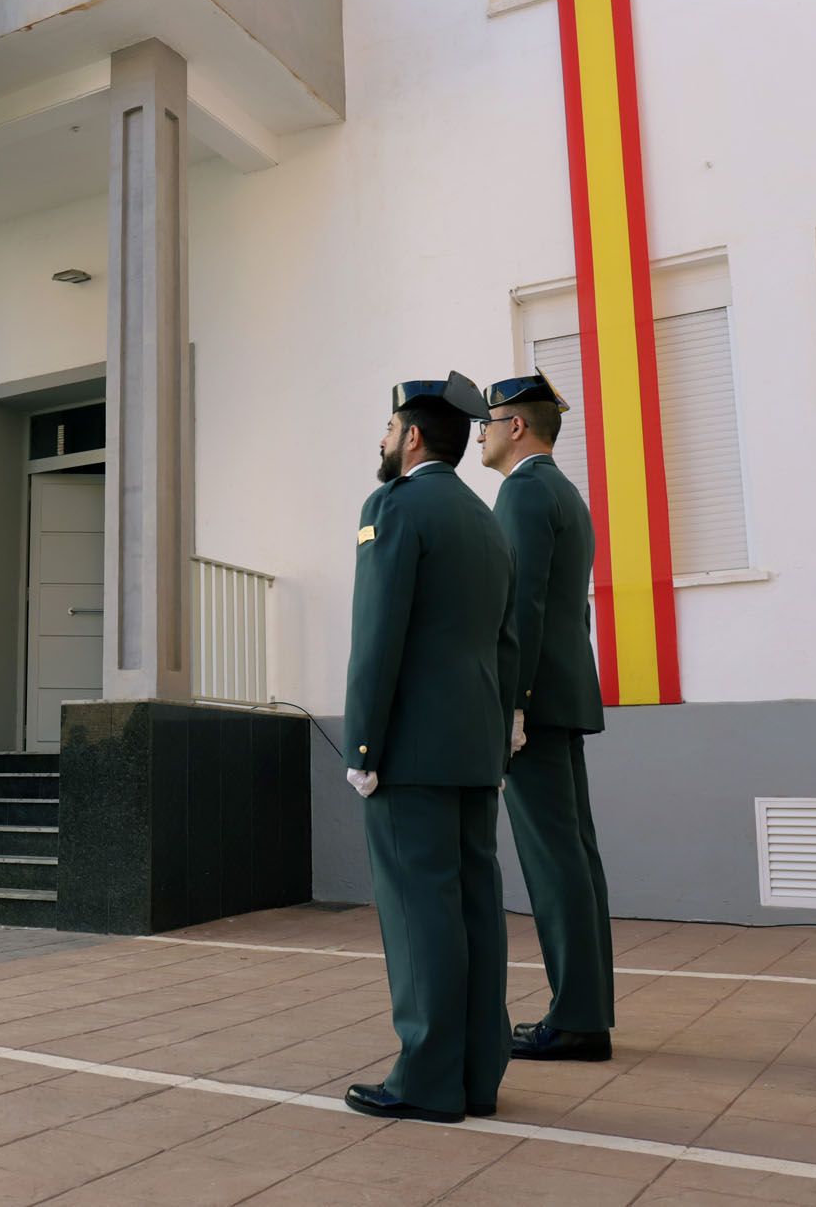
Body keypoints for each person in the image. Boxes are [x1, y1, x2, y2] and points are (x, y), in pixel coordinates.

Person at [343, 372, 517, 1123]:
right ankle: (479, 1074)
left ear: (412, 436)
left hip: (410, 749)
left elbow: (377, 636)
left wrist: (361, 742)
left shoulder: (394, 505)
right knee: (475, 909)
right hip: (476, 747)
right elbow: (507, 642)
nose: (381, 442)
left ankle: (426, 1077)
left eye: (388, 428)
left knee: (420, 915)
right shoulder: (485, 518)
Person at [480, 370, 614, 1062]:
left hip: (535, 702)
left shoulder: (525, 492)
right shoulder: (563, 490)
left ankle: (578, 1019)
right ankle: (585, 1009)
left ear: (517, 426)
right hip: (565, 694)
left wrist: (513, 704)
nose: (480, 431)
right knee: (575, 854)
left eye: (488, 420)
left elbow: (521, 607)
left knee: (554, 858)